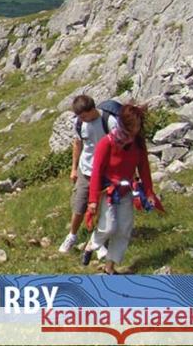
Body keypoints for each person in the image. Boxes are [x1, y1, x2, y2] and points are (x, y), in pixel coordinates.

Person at [82, 103, 156, 274]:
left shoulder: (138, 143)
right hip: (108, 191)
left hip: (126, 191)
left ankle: (110, 266)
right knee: (109, 227)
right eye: (133, 125)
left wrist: (149, 192)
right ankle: (91, 245)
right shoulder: (106, 143)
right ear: (124, 123)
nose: (136, 129)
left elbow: (144, 168)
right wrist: (93, 200)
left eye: (138, 125)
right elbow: (97, 172)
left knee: (124, 229)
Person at [59, 95, 117, 253]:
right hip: (85, 170)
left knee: (104, 206)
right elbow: (77, 144)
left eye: (84, 116)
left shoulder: (109, 121)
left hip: (106, 173)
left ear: (92, 110)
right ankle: (72, 236)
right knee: (79, 205)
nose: (82, 119)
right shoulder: (78, 123)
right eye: (79, 117)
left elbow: (119, 147)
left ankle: (100, 240)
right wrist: (73, 168)